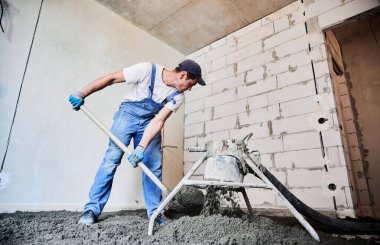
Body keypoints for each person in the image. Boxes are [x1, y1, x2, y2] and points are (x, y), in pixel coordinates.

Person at [69, 60, 205, 225]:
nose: (190, 88)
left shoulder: (178, 96)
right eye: (191, 84)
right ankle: (91, 210)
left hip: (150, 122)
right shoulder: (147, 70)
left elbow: (159, 120)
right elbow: (111, 78)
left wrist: (141, 147)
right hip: (127, 115)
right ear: (183, 75)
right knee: (111, 160)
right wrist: (82, 93)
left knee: (152, 166)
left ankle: (156, 213)